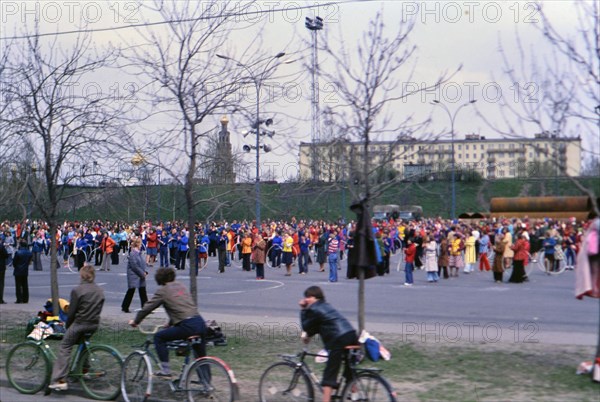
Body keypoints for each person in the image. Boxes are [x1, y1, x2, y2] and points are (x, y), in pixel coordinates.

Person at [129, 268, 207, 377]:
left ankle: (165, 370)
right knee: (201, 357)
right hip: (200, 322)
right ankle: (207, 385)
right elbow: (181, 307)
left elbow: (147, 308)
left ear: (159, 279)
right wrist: (170, 323)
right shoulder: (181, 286)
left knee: (159, 337)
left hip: (187, 326)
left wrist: (136, 321)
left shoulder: (163, 290)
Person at [48, 265, 105, 391]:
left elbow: (72, 312)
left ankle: (60, 379)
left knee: (65, 346)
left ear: (82, 276)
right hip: (94, 324)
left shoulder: (77, 290)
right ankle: (83, 369)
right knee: (84, 344)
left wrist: (68, 326)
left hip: (80, 323)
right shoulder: (100, 290)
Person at [299, 286, 358, 402]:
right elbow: (317, 326)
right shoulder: (325, 306)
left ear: (314, 297)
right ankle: (356, 396)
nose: (306, 300)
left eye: (308, 297)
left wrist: (303, 309)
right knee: (349, 368)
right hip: (350, 335)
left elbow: (306, 326)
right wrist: (307, 336)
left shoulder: (314, 309)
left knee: (330, 373)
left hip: (338, 338)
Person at [121, 237, 148, 313]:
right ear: (138, 244)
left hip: (139, 275)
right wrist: (142, 273)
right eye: (140, 243)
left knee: (142, 291)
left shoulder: (138, 253)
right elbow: (134, 266)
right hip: (134, 275)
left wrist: (144, 271)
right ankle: (125, 306)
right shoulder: (133, 253)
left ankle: (145, 307)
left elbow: (141, 264)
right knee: (131, 291)